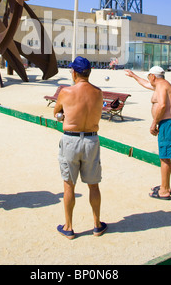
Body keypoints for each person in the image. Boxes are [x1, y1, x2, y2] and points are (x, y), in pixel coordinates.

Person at [54, 56, 107, 239]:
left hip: (71, 139)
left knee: (69, 185)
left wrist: (64, 115)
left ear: (74, 72)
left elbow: (57, 113)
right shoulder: (98, 92)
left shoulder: (65, 92)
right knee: (93, 185)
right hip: (91, 140)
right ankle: (97, 224)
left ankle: (68, 227)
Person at [125, 66, 171, 200]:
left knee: (164, 157)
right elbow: (145, 84)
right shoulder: (160, 85)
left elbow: (162, 105)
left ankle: (164, 191)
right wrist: (133, 76)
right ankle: (165, 185)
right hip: (168, 123)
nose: (148, 79)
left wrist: (154, 123)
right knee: (164, 156)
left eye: (148, 77)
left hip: (169, 123)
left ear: (153, 76)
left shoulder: (162, 86)